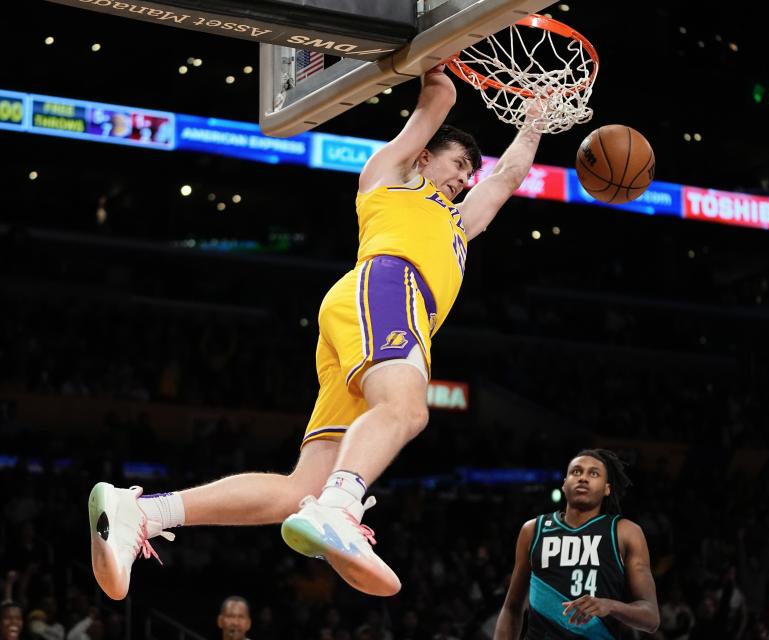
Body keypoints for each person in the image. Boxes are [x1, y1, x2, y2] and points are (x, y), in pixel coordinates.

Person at [87, 62, 545, 599]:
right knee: (407, 409)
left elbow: (508, 178)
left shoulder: (459, 224)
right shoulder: (391, 177)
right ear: (424, 156)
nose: (466, 177)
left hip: (379, 313)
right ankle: (339, 508)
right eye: (459, 163)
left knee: (296, 492)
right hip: (387, 287)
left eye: (471, 171)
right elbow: (438, 96)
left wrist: (534, 120)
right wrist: (440, 46)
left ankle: (139, 511)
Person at [494, 449, 660, 640]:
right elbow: (512, 608)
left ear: (607, 488)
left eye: (594, 473)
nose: (583, 478)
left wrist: (610, 605)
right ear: (564, 485)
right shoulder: (533, 530)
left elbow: (651, 617)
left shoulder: (625, 532)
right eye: (576, 472)